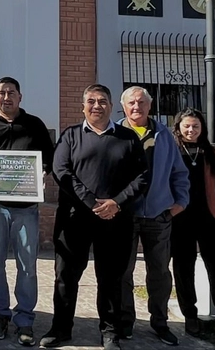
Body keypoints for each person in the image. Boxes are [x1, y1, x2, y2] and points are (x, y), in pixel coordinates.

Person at [40, 84, 149, 350]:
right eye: (91, 101)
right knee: (65, 276)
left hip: (115, 219)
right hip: (74, 218)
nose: (97, 105)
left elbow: (143, 176)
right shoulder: (71, 135)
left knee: (110, 278)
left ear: (112, 106)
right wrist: (91, 203)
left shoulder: (128, 137)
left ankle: (110, 332)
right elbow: (61, 171)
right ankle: (61, 329)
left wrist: (116, 203)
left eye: (102, 101)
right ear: (83, 106)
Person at [0, 77, 54, 346]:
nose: (6, 97)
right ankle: (0, 315)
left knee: (27, 266)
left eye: (11, 93)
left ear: (20, 97)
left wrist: (43, 174)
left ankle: (25, 320)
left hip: (26, 208)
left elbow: (48, 159)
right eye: (2, 93)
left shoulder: (34, 125)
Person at [118, 87, 189, 346]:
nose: (136, 107)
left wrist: (181, 201)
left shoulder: (164, 135)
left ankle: (159, 322)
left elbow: (179, 171)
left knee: (159, 272)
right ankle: (125, 322)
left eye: (141, 102)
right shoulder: (115, 133)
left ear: (150, 106)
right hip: (124, 216)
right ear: (123, 106)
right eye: (131, 103)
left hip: (158, 215)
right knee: (123, 271)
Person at [168, 108, 215, 342]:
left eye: (196, 126)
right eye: (187, 126)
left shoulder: (211, 152)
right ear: (178, 127)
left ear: (203, 129)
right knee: (182, 266)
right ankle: (190, 314)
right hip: (180, 218)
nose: (191, 130)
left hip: (209, 217)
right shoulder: (171, 151)